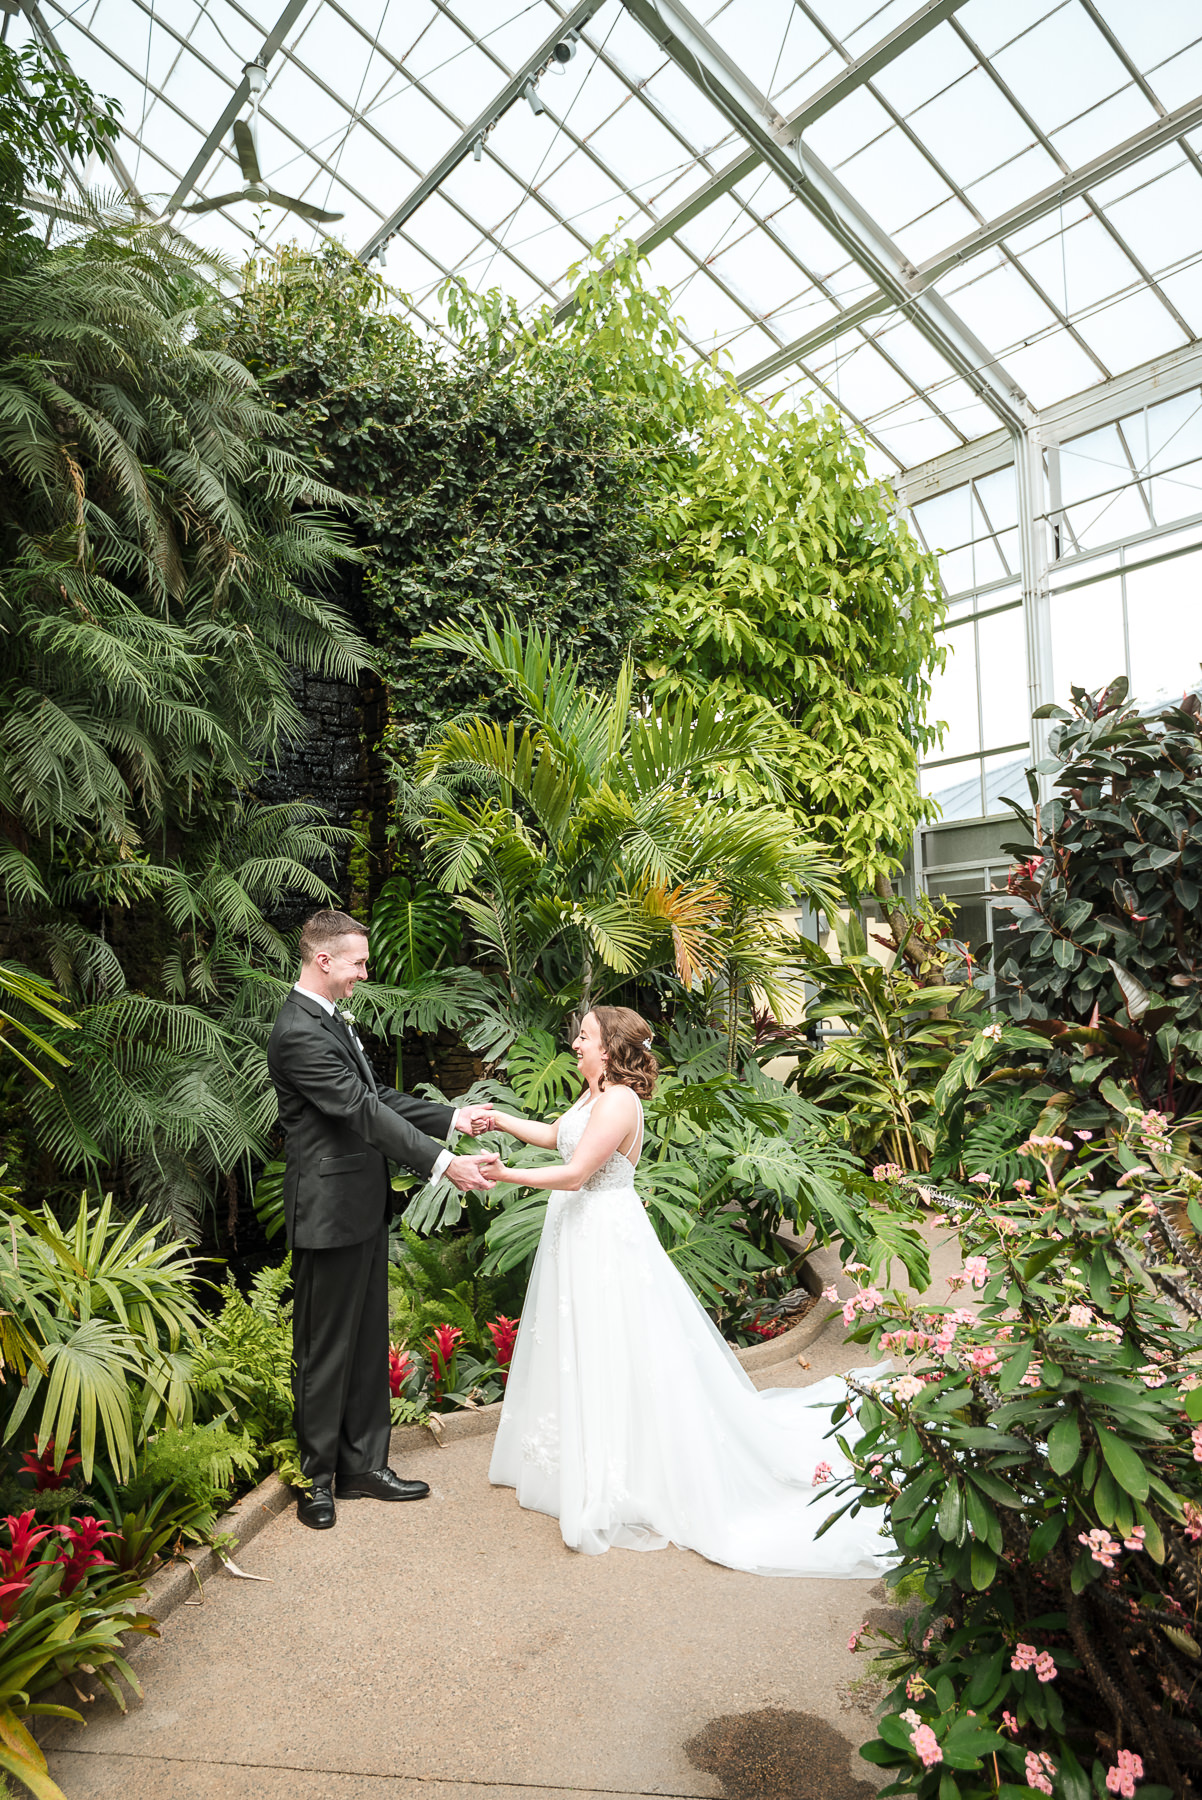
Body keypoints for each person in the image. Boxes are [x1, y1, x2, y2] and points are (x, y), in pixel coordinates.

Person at [482, 1005, 890, 1577]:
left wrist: (504, 1174)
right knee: (588, 1347)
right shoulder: (594, 1094)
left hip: (603, 1240)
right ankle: (584, 1456)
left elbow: (576, 1173)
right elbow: (556, 1136)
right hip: (578, 1235)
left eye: (586, 1036)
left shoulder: (620, 1101)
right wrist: (501, 1121)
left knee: (618, 1346)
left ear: (611, 1047)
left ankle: (628, 1469)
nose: (575, 1042)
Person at [267, 909, 498, 1531]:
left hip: (362, 1207)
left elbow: (376, 1100)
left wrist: (449, 1118)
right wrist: (445, 1164)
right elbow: (358, 1112)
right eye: (358, 963)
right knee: (324, 1350)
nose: (364, 975)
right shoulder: (298, 1030)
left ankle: (364, 1466)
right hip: (327, 1213)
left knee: (368, 1341)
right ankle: (316, 1480)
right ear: (323, 961)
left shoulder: (329, 1019)